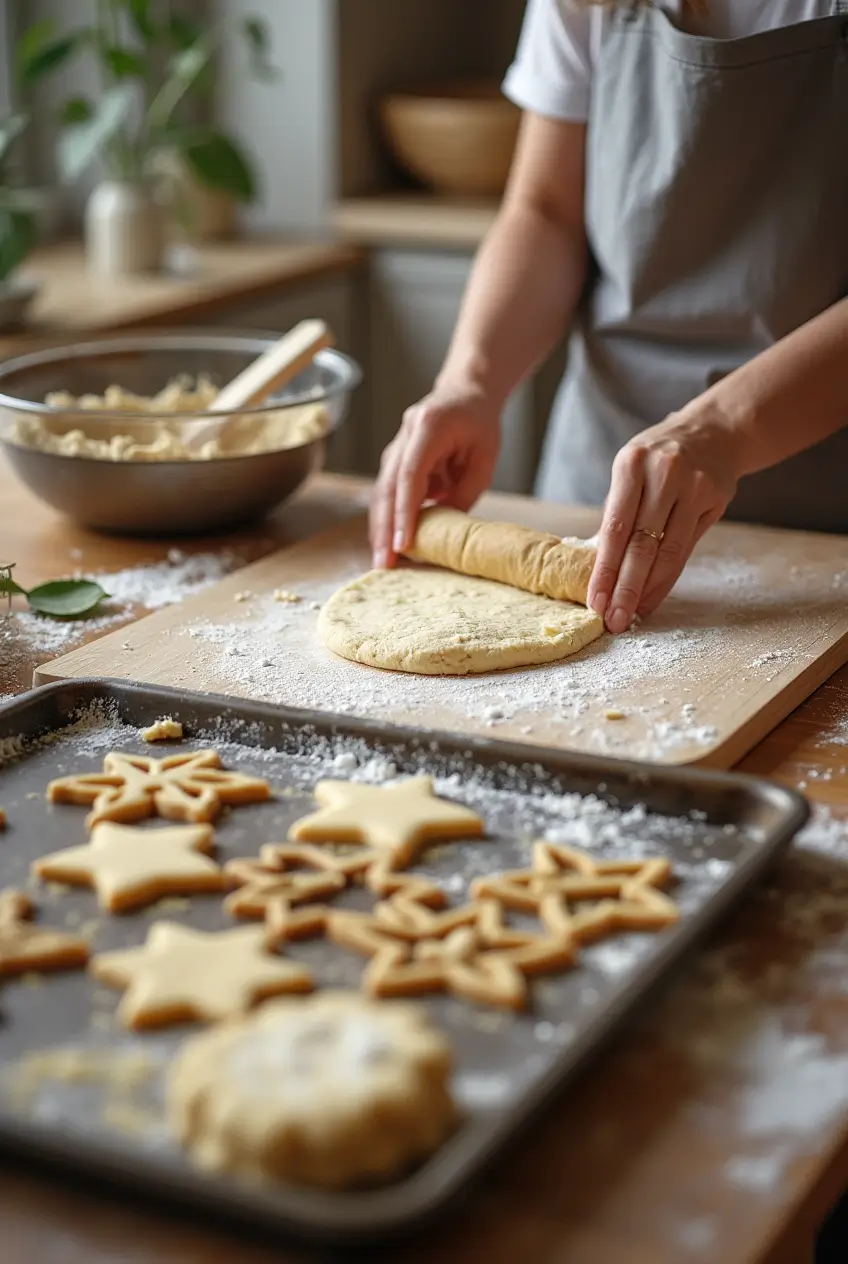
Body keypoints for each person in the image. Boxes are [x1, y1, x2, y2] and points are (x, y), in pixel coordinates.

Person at [369, 0, 848, 637]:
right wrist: (472, 382)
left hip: (824, 528)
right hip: (598, 487)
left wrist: (723, 426)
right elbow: (545, 210)